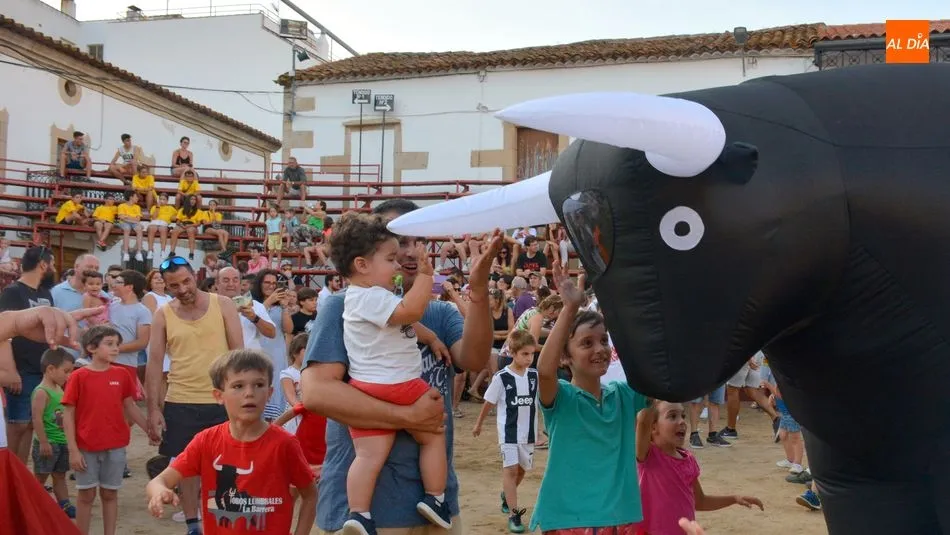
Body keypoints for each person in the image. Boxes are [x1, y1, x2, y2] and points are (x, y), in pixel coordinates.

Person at [302, 197, 500, 535]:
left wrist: (478, 292)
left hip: (435, 507)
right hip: (372, 509)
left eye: (417, 240)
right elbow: (317, 393)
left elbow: (475, 359)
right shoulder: (341, 306)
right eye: (399, 243)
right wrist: (408, 418)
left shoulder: (439, 312)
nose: (409, 252)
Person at [329, 212, 449, 533]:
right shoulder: (372, 295)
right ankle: (435, 497)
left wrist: (430, 336)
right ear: (362, 265)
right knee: (434, 434)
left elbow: (402, 322)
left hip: (364, 389)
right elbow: (409, 311)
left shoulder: (356, 298)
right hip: (400, 384)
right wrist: (425, 276)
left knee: (368, 457)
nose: (397, 266)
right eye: (391, 259)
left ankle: (359, 514)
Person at [146, 349, 317, 535]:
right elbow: (159, 481)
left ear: (269, 393)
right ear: (219, 396)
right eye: (238, 386)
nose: (249, 393)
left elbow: (309, 495)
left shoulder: (285, 443)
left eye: (258, 384)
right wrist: (159, 491)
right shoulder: (206, 441)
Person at [529, 264, 646, 533]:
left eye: (604, 340)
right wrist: (570, 308)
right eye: (586, 343)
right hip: (568, 521)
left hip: (615, 521)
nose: (600, 349)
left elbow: (657, 378)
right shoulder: (563, 397)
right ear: (565, 356)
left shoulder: (623, 395)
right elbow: (544, 370)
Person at [145, 256, 244, 535]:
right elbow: (154, 365)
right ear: (166, 286)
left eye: (186, 281)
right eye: (174, 285)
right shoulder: (162, 314)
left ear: (195, 276)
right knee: (186, 468)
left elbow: (239, 354)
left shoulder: (222, 304)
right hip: (180, 401)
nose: (183, 289)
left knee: (227, 467)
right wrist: (153, 409)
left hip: (221, 400)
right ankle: (193, 525)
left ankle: (224, 521)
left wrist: (240, 398)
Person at [63, 325, 150, 535]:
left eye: (117, 344)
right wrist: (73, 450)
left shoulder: (122, 374)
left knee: (110, 494)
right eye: (109, 344)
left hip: (116, 445)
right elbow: (68, 414)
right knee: (86, 496)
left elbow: (130, 406)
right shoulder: (78, 376)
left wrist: (149, 429)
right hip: (86, 446)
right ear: (92, 348)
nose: (115, 349)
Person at [635, 399, 764, 534]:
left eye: (683, 416)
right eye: (672, 416)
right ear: (653, 427)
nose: (681, 421)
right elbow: (643, 421)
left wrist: (734, 499)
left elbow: (700, 501)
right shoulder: (649, 456)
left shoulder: (688, 459)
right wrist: (653, 392)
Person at [471, 330, 539, 533]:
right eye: (524, 354)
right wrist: (478, 423)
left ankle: (506, 496)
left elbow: (540, 403)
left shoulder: (534, 376)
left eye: (532, 354)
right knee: (510, 471)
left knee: (521, 471)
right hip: (508, 433)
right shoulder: (502, 378)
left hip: (528, 434)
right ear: (513, 353)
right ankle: (514, 515)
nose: (529, 358)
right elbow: (489, 403)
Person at [1, 246, 56, 463]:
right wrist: (10, 370)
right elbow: (4, 333)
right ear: (43, 264)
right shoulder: (13, 292)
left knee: (31, 424)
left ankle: (19, 474)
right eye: (51, 264)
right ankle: (6, 473)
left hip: (40, 369)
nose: (53, 269)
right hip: (20, 368)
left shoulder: (45, 293)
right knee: (17, 425)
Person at [30, 347, 77, 518]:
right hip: (48, 443)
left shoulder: (59, 389)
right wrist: (43, 441)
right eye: (66, 371)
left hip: (61, 441)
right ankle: (34, 504)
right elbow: (36, 418)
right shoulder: (42, 392)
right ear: (50, 369)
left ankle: (64, 504)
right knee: (40, 477)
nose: (69, 375)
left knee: (59, 475)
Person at [108, 270, 150, 402]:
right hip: (105, 362)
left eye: (119, 282)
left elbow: (142, 342)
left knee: (127, 409)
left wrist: (115, 349)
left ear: (130, 287)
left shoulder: (142, 311)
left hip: (126, 365)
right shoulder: (111, 306)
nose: (114, 284)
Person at [279, 333, 309, 433]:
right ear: (295, 352)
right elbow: (291, 397)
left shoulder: (314, 372)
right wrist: (304, 409)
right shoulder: (288, 374)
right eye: (306, 350)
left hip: (313, 412)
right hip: (296, 415)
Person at [117, 190, 145, 262]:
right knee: (127, 229)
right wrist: (132, 219)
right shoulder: (121, 206)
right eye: (136, 197)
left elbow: (138, 219)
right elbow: (122, 218)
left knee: (139, 229)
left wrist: (127, 217)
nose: (137, 198)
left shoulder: (137, 207)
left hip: (133, 223)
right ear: (131, 197)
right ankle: (126, 252)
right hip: (124, 222)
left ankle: (139, 252)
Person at [147, 192, 177, 257]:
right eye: (160, 199)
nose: (162, 201)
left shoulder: (171, 208)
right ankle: (150, 250)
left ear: (167, 201)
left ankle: (162, 251)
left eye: (164, 199)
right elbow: (154, 217)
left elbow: (177, 216)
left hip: (164, 223)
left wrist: (173, 218)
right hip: (155, 222)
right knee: (151, 228)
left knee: (163, 229)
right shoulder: (154, 207)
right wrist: (158, 207)